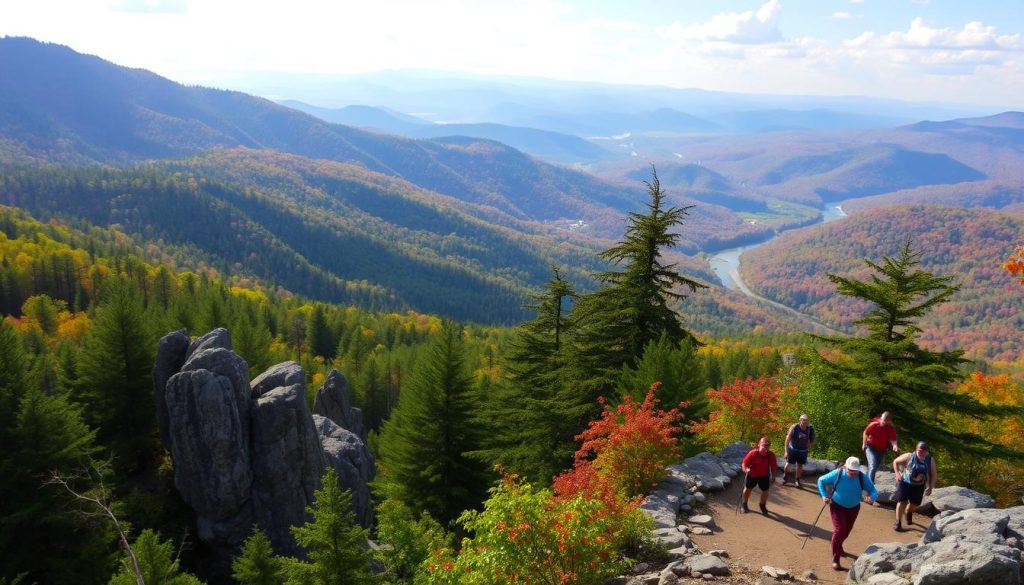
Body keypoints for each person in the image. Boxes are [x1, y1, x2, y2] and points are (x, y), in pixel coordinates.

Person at [817, 456, 878, 571]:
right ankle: (835, 558)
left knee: (846, 532)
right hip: (837, 506)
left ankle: (837, 545)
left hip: (854, 507)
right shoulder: (838, 473)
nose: (853, 473)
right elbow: (821, 480)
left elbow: (874, 491)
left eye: (855, 470)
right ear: (845, 467)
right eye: (850, 470)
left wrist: (871, 498)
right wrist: (824, 495)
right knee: (840, 530)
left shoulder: (861, 477)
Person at [892, 441, 937, 531]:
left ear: (927, 451)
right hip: (905, 482)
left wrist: (931, 487)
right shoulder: (909, 456)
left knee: (915, 504)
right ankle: (898, 522)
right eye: (919, 450)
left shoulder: (929, 460)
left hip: (919, 486)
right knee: (901, 501)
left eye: (924, 451)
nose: (921, 452)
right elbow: (896, 461)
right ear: (916, 449)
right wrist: (897, 473)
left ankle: (909, 512)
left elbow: (934, 475)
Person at [741, 437, 778, 516]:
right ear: (759, 445)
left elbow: (773, 467)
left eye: (767, 446)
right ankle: (744, 503)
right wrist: (746, 469)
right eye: (764, 445)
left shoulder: (771, 455)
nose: (765, 448)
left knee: (765, 490)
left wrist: (773, 476)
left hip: (764, 475)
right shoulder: (753, 453)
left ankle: (762, 505)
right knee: (748, 488)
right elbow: (744, 463)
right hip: (752, 475)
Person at [862, 411, 899, 484]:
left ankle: (864, 480)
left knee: (875, 467)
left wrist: (895, 446)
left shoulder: (890, 428)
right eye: (882, 419)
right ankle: (870, 486)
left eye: (885, 420)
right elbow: (866, 433)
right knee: (872, 465)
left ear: (889, 421)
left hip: (881, 450)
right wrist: (864, 444)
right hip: (870, 447)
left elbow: (893, 439)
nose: (883, 421)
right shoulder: (874, 425)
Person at [783, 414, 816, 487]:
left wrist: (809, 445)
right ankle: (786, 476)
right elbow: (787, 438)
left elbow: (814, 441)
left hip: (803, 451)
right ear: (800, 420)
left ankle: (797, 480)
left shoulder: (810, 429)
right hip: (792, 449)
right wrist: (786, 451)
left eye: (806, 420)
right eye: (803, 420)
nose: (805, 422)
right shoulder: (795, 427)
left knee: (800, 466)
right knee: (788, 464)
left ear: (808, 421)